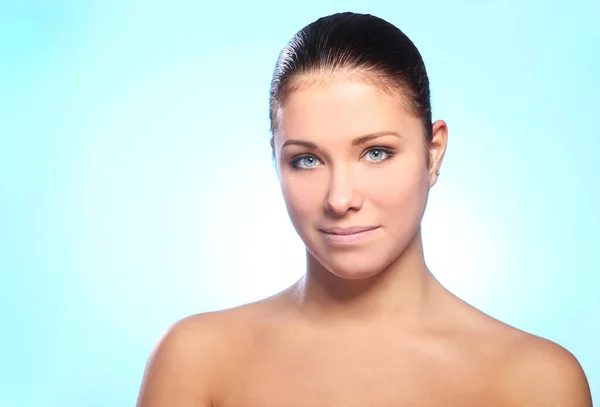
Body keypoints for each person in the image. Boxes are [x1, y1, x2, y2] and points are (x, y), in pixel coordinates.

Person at [136, 12, 592, 407]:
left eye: (376, 152)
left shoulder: (534, 381)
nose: (340, 199)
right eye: (306, 159)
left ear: (433, 153)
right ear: (275, 160)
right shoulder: (196, 362)